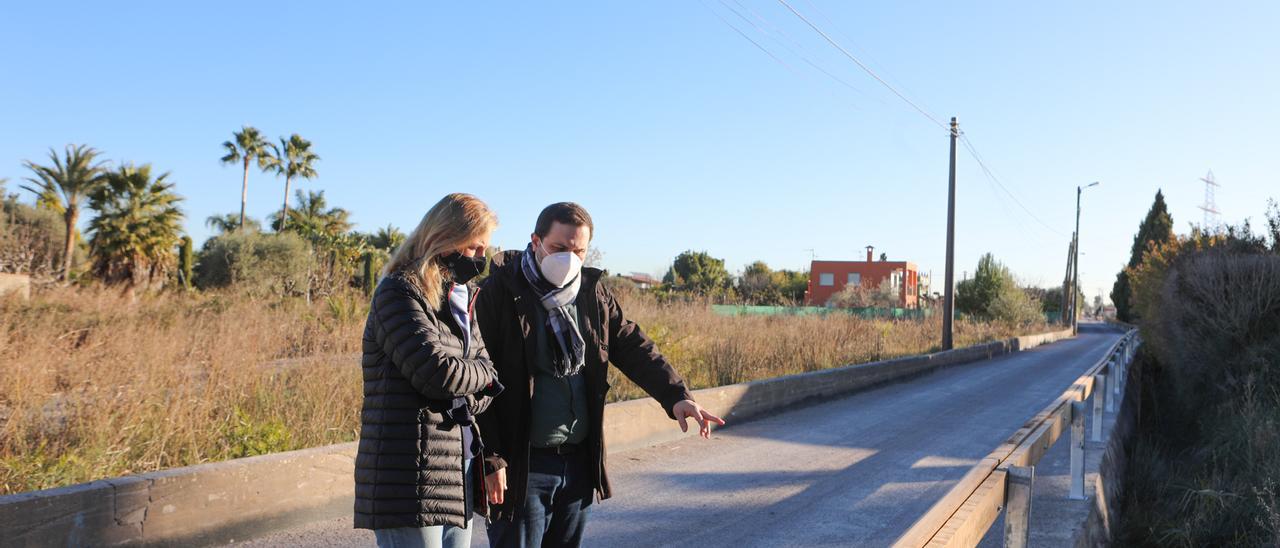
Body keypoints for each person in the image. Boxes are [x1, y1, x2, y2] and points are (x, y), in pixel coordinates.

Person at [476, 202, 725, 548]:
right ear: (535, 242)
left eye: (578, 251)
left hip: (577, 464)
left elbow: (634, 346)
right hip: (523, 466)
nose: (569, 260)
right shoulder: (500, 293)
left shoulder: (591, 293)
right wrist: (491, 459)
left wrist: (677, 396)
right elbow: (478, 379)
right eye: (559, 249)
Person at [354, 193, 504, 548]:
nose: (481, 258)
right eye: (474, 247)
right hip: (408, 478)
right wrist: (479, 377)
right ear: (444, 237)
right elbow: (437, 373)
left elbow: (485, 379)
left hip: (457, 473)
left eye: (485, 249)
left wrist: (474, 381)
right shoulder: (398, 293)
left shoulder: (461, 299)